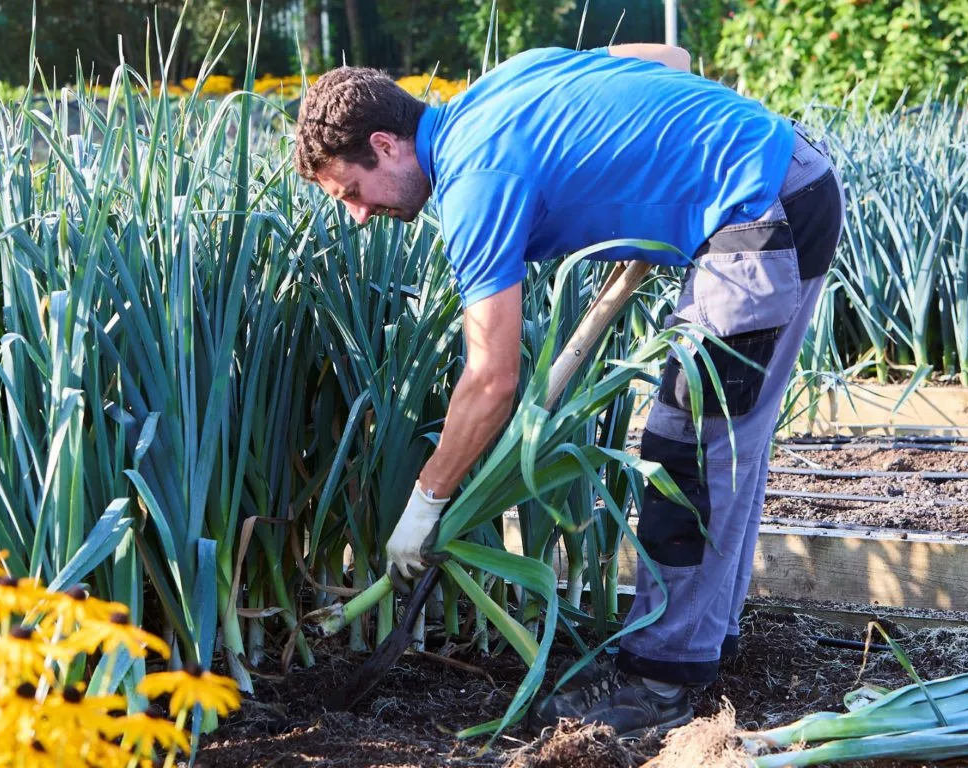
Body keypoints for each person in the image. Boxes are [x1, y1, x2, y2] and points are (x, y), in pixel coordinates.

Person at [292, 43, 845, 738]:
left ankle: (661, 682)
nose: (359, 215)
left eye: (351, 191)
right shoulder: (500, 88)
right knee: (727, 443)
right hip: (790, 174)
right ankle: (704, 641)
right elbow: (671, 58)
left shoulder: (474, 183)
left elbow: (491, 379)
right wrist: (669, 161)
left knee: (686, 451)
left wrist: (426, 502)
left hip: (760, 214)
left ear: (384, 144)